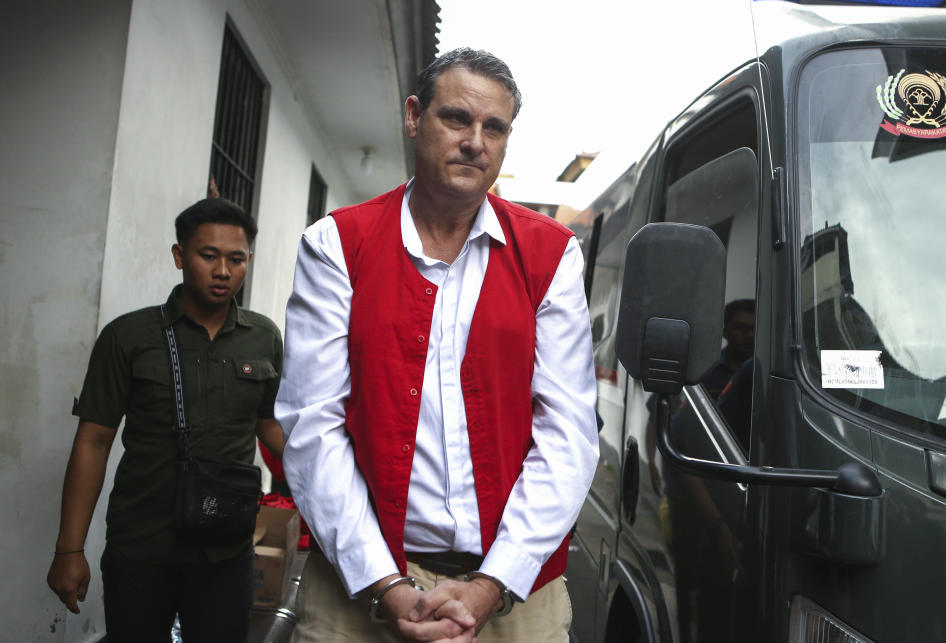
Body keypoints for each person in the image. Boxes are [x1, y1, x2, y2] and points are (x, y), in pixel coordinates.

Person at [277, 48, 599, 642]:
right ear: (412, 117)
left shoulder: (551, 255)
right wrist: (385, 584)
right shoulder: (336, 246)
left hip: (515, 595)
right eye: (456, 118)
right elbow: (311, 425)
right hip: (362, 584)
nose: (475, 141)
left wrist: (490, 584)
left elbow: (568, 433)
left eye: (494, 128)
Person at [46, 198, 285, 642]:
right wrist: (69, 549)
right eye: (208, 255)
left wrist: (329, 471)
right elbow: (93, 441)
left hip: (225, 548)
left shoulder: (263, 338)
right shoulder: (129, 336)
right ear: (180, 256)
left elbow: (268, 424)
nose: (222, 271)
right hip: (142, 545)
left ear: (248, 261)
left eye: (236, 259)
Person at [700, 299, 755, 399]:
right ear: (724, 331)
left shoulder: (770, 375)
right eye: (741, 327)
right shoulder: (705, 370)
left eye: (755, 329)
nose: (750, 335)